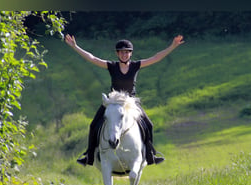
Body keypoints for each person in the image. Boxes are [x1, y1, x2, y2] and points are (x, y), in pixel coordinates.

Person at [65, 34, 184, 166]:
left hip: (130, 103)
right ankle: (89, 156)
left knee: (149, 125)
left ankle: (151, 155)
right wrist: (75, 47)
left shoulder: (135, 66)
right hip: (113, 102)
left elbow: (156, 57)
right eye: (122, 52)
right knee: (93, 125)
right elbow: (92, 58)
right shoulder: (111, 66)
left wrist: (172, 46)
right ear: (117, 54)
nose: (124, 55)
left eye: (127, 52)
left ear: (131, 54)